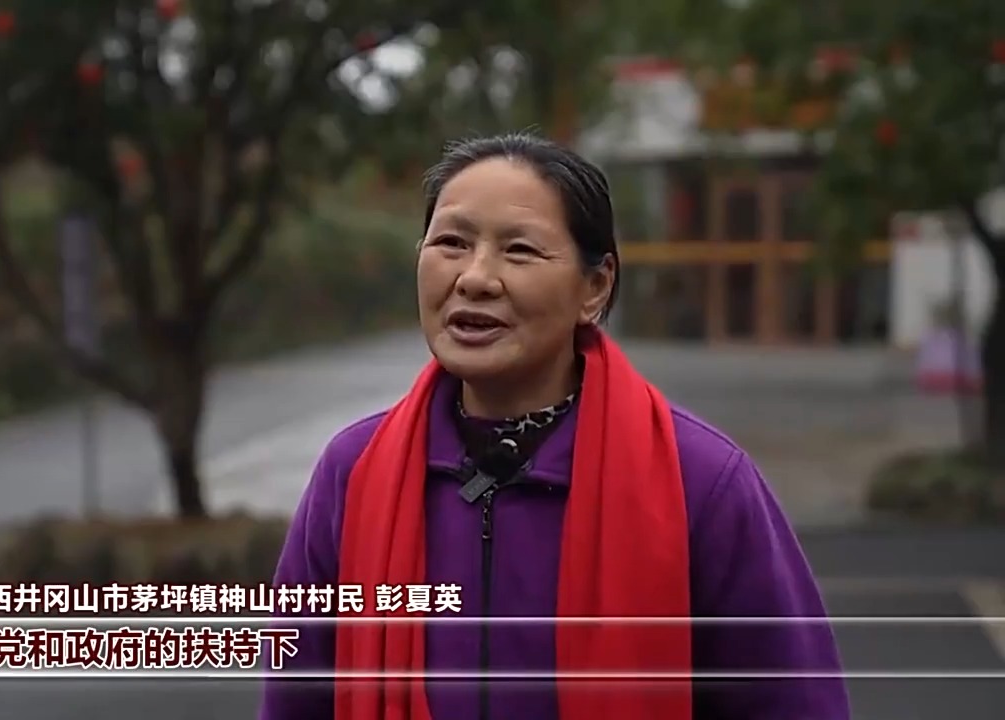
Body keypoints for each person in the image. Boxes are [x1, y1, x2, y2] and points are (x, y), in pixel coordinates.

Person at [258, 133, 850, 720]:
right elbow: (294, 700)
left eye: (519, 250)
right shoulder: (356, 473)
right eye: (451, 243)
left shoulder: (701, 480)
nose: (475, 277)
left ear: (595, 287)